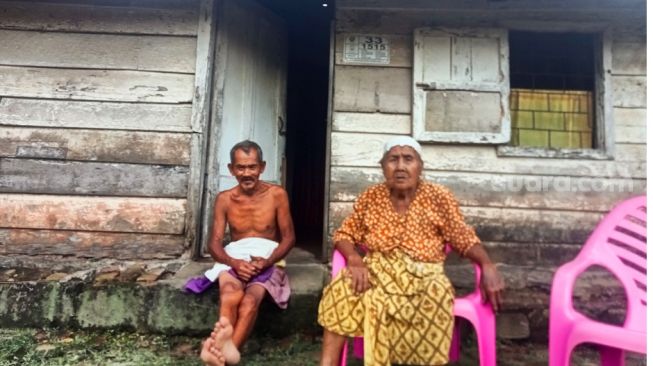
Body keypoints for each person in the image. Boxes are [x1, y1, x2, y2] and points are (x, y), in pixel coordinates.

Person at [317, 136, 505, 366]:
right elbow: (344, 234)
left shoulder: (438, 197)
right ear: (382, 166)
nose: (400, 166)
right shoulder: (371, 196)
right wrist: (355, 258)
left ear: (420, 166)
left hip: (425, 275)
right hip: (377, 270)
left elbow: (463, 237)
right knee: (341, 290)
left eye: (408, 159)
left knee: (436, 296)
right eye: (393, 159)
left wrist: (486, 263)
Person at [200, 140, 295, 365]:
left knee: (250, 301)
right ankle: (227, 355)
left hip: (268, 257)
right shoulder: (224, 199)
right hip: (235, 257)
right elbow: (213, 244)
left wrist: (267, 261)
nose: (246, 173)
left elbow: (289, 238)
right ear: (231, 169)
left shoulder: (277, 195)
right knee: (230, 295)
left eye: (252, 167)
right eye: (240, 168)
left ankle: (223, 356)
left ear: (262, 167)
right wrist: (234, 263)